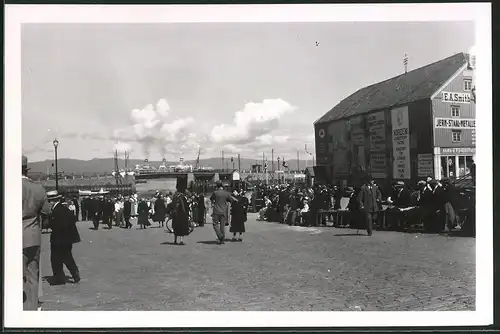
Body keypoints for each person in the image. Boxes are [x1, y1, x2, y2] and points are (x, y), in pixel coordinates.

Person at [22, 155, 51, 310]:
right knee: (33, 278)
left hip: (14, 238)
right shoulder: (38, 188)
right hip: (33, 237)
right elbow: (46, 212)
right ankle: (31, 312)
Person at [47, 190, 81, 285]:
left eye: (49, 201)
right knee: (67, 257)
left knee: (56, 259)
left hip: (59, 239)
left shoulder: (57, 210)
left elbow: (58, 225)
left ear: (52, 201)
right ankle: (75, 273)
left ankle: (59, 278)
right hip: (66, 239)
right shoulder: (63, 208)